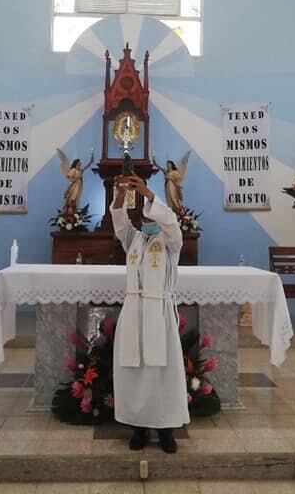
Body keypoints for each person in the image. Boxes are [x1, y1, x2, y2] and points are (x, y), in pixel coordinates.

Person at [111, 173, 189, 453]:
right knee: (134, 372)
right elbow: (120, 223)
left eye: (151, 212)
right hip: (133, 313)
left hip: (159, 314)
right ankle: (139, 428)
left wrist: (147, 193)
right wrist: (120, 196)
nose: (148, 218)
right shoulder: (133, 239)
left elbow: (171, 222)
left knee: (162, 374)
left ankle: (166, 431)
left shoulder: (170, 242)